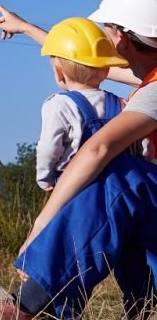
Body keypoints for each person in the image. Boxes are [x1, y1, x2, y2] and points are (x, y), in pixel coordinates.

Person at [0, 0, 157, 320]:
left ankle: (30, 307)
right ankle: (145, 311)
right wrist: (27, 28)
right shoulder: (148, 79)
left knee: (120, 177)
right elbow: (86, 65)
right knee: (127, 185)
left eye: (104, 29)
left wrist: (42, 224)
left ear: (119, 35)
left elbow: (98, 148)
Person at [34, 17, 128, 192]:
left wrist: (45, 179)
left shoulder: (59, 106)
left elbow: (49, 148)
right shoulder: (123, 104)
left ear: (58, 72)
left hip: (78, 188)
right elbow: (143, 146)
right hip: (122, 186)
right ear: (106, 69)